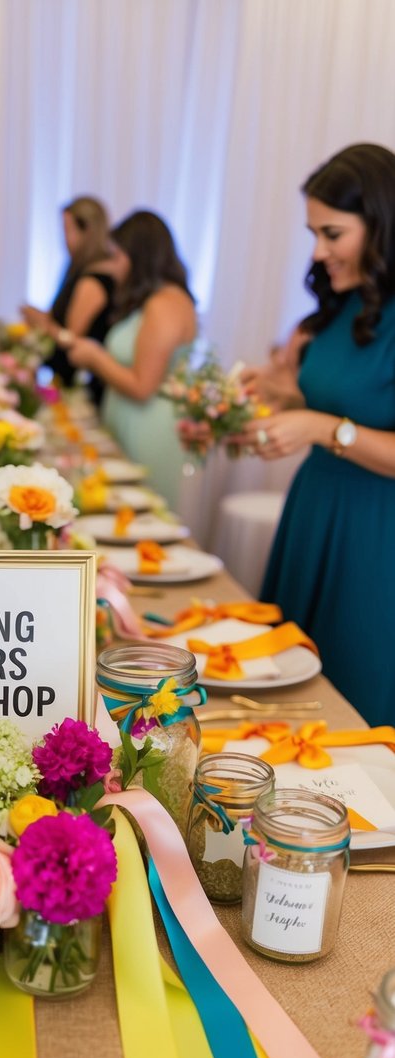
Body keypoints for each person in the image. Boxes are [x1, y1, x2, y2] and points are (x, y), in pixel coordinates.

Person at [243, 143, 395, 726]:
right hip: (317, 507)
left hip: (375, 530)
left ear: (381, 224)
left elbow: (343, 422)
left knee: (352, 692)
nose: (318, 250)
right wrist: (283, 398)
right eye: (313, 233)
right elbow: (347, 401)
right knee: (287, 691)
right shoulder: (343, 304)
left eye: (333, 233)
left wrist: (321, 427)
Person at [67, 210, 197, 507]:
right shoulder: (151, 300)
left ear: (140, 257)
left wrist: (94, 357)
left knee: (140, 514)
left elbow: (142, 386)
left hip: (148, 426)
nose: (113, 266)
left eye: (117, 256)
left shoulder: (165, 304)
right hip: (130, 419)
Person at [21, 195, 114, 399]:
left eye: (67, 230)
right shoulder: (78, 270)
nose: (63, 239)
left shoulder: (93, 280)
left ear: (87, 231)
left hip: (79, 385)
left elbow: (71, 339)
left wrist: (42, 322)